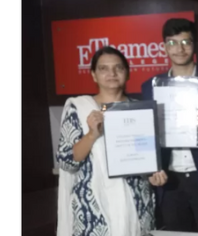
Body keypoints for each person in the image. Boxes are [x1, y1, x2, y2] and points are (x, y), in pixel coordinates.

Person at [56, 46, 167, 236]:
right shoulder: (80, 108)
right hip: (93, 209)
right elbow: (66, 162)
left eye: (118, 68)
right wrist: (91, 135)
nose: (112, 73)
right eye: (103, 68)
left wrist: (152, 175)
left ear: (128, 73)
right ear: (93, 75)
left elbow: (145, 157)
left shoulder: (140, 110)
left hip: (137, 206)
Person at [140, 18, 198, 233]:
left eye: (186, 42)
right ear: (164, 46)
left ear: (195, 45)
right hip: (169, 176)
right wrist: (151, 168)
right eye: (172, 43)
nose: (179, 49)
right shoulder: (150, 87)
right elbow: (145, 135)